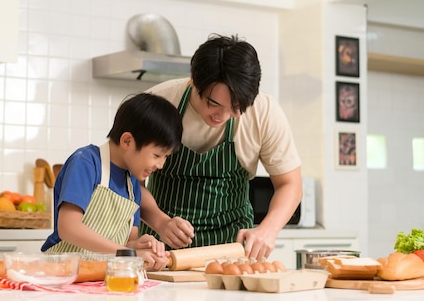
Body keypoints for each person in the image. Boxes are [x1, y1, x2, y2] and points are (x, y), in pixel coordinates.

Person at [138, 34, 303, 261]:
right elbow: (132, 181)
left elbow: (290, 183)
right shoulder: (160, 102)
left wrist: (268, 229)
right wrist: (160, 221)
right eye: (212, 104)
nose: (222, 117)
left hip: (233, 251)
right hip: (161, 250)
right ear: (193, 81)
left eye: (236, 108)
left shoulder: (264, 111)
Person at [41, 93, 183, 271]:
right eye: (156, 155)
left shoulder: (133, 185)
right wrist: (129, 254)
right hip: (61, 274)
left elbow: (126, 242)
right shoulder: (86, 163)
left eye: (165, 157)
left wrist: (138, 248)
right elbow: (68, 228)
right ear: (127, 141)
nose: (160, 165)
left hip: (101, 280)